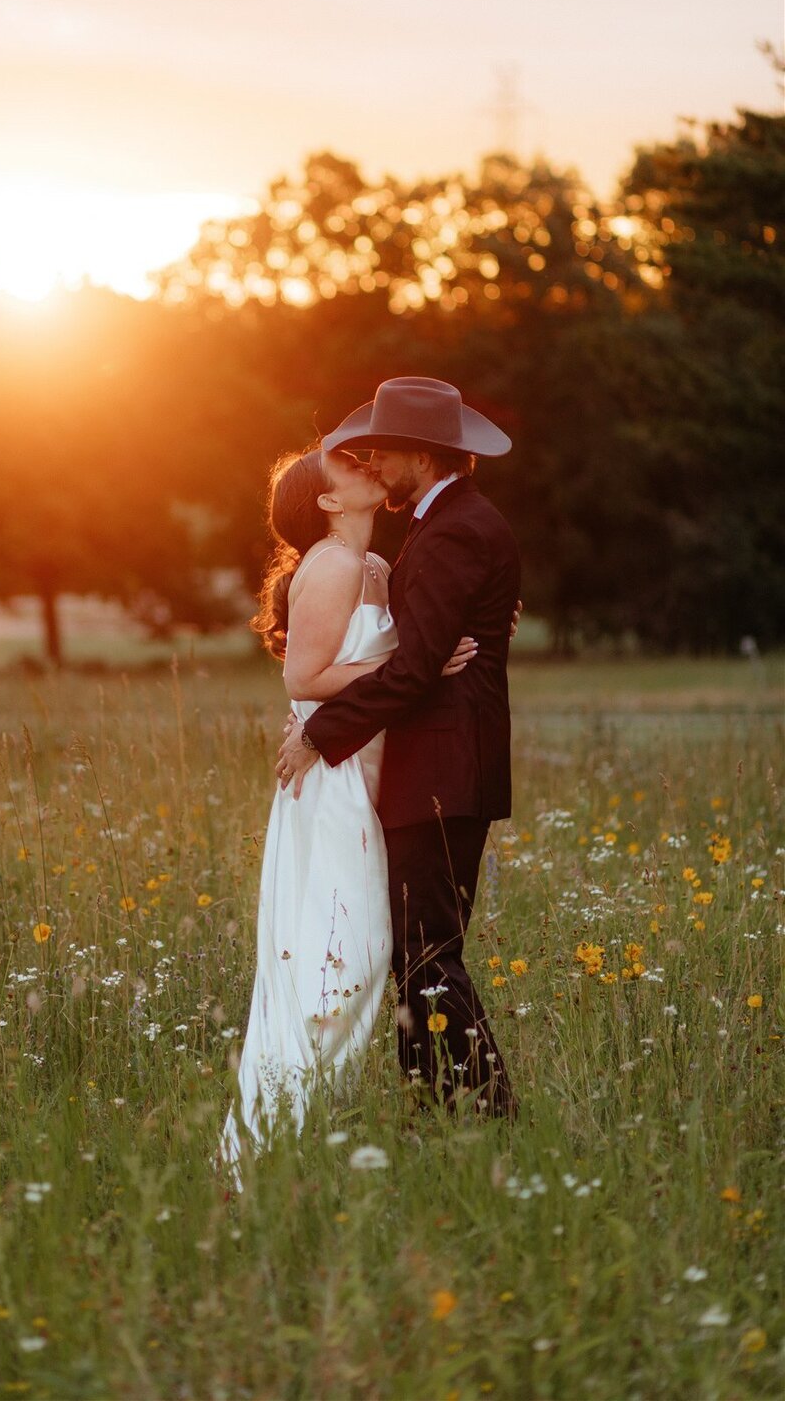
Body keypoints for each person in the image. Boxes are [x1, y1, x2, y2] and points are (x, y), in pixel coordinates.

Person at [219, 441, 479, 1186]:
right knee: (346, 956)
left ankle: (294, 1133)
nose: (368, 468)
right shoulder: (329, 567)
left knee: (357, 956)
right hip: (329, 780)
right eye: (349, 469)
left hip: (367, 775)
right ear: (329, 503)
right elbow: (306, 677)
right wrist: (417, 668)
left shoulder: (373, 569)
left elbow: (414, 641)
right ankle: (265, 1147)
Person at [275, 376, 521, 1119]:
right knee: (418, 953)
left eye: (384, 452)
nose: (374, 463)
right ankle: (435, 1111)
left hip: (443, 769)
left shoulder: (456, 528)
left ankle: (487, 1114)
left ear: (421, 453)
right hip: (431, 766)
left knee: (428, 953)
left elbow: (416, 667)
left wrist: (320, 732)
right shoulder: (441, 524)